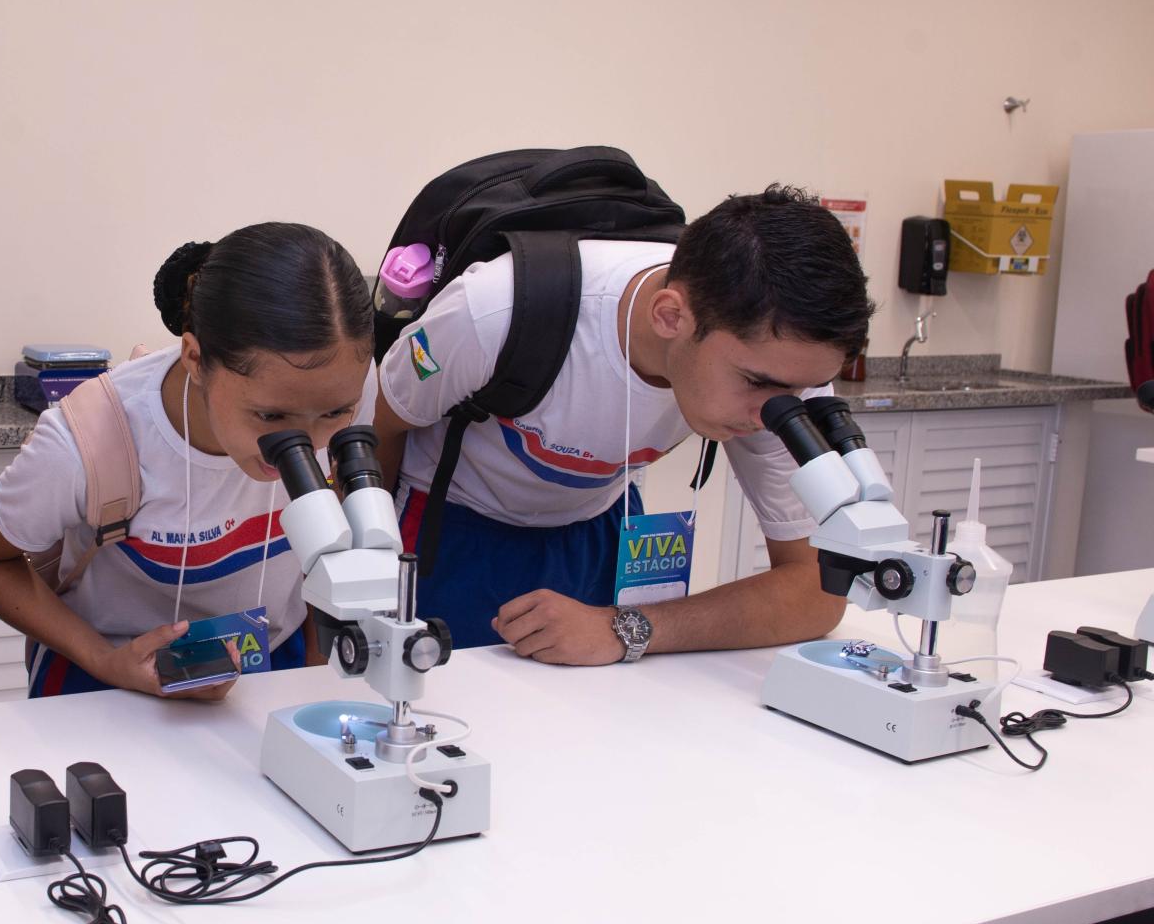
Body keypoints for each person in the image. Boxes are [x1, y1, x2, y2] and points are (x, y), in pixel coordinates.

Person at [373, 185, 873, 663]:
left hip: (598, 527)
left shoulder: (785, 368)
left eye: (799, 391)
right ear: (670, 316)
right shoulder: (494, 310)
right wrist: (367, 584)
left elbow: (819, 590)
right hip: (447, 526)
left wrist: (627, 628)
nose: (771, 414)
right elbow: (377, 430)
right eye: (756, 384)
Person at [0, 223, 375, 697]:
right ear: (195, 357)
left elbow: (329, 555)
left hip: (273, 666)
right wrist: (104, 661)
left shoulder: (341, 381)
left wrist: (313, 679)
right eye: (270, 415)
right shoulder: (90, 441)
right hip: (107, 681)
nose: (306, 441)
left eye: (336, 412)